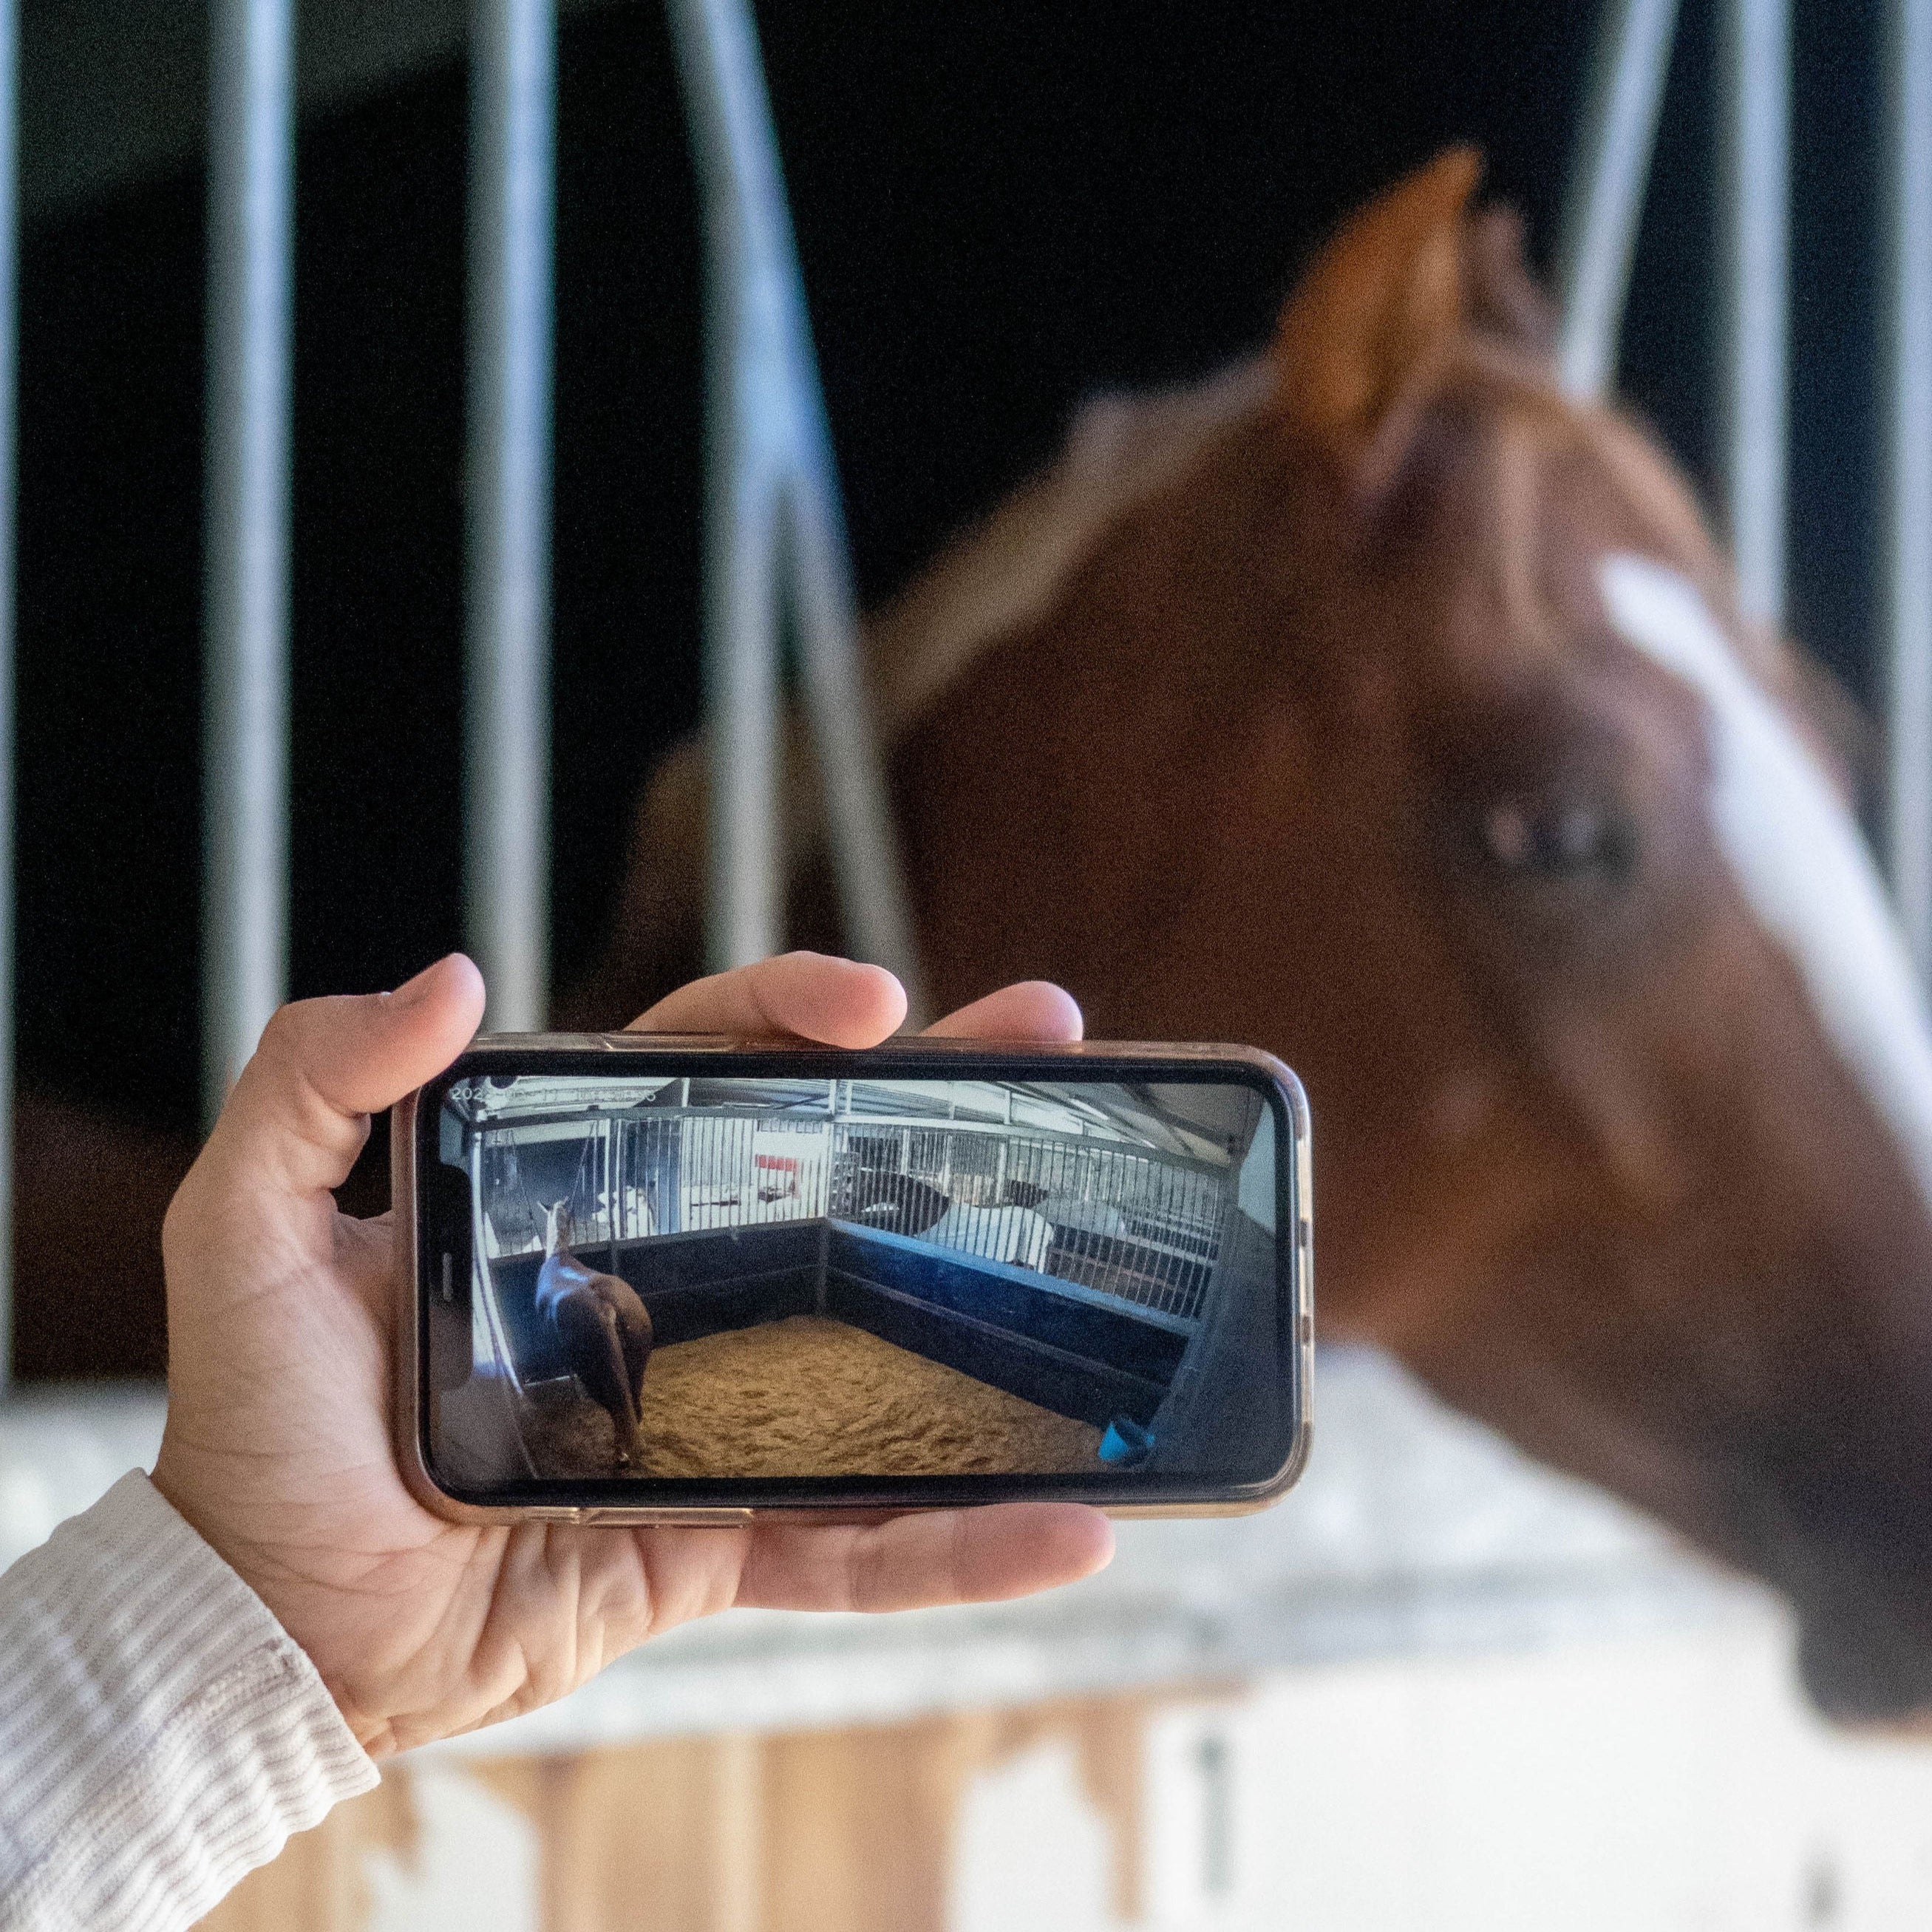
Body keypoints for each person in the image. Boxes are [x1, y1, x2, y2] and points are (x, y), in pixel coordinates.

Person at [0, 952, 1114, 1932]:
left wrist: (256, 1605)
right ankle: (630, 1426)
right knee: (628, 1363)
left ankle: (623, 1430)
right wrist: (262, 1602)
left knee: (599, 1360)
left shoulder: (546, 1269)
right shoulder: (588, 1265)